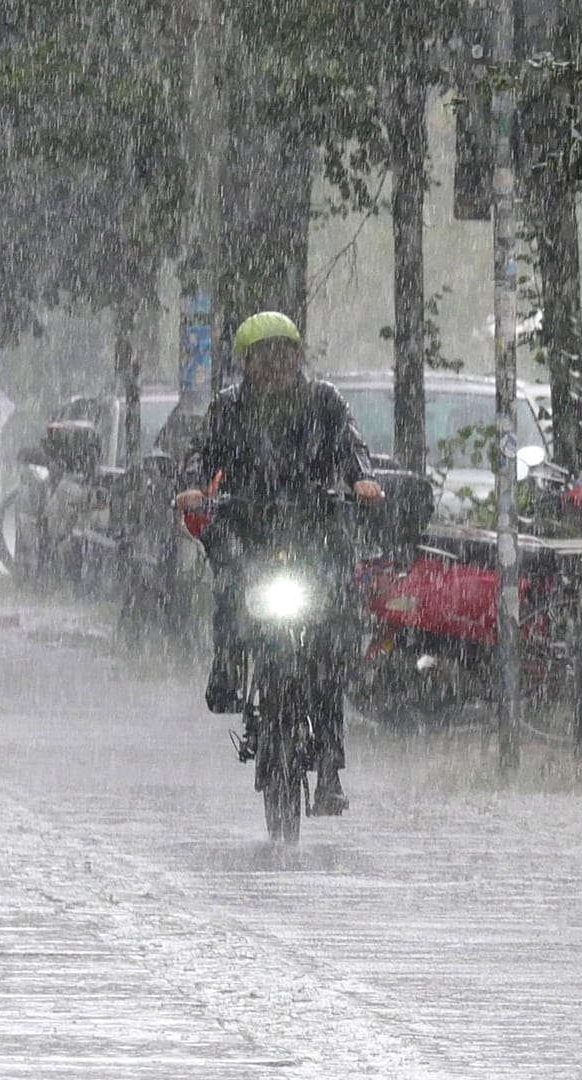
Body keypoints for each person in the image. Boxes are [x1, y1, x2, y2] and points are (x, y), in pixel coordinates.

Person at [174, 311, 383, 816]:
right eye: (263, 356)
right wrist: (196, 489)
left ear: (298, 357)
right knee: (230, 581)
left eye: (284, 354)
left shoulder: (325, 402)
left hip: (312, 527)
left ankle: (330, 766)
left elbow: (351, 447)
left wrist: (361, 481)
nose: (275, 365)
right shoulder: (228, 407)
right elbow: (201, 455)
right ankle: (226, 663)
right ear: (246, 363)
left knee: (332, 630)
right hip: (247, 524)